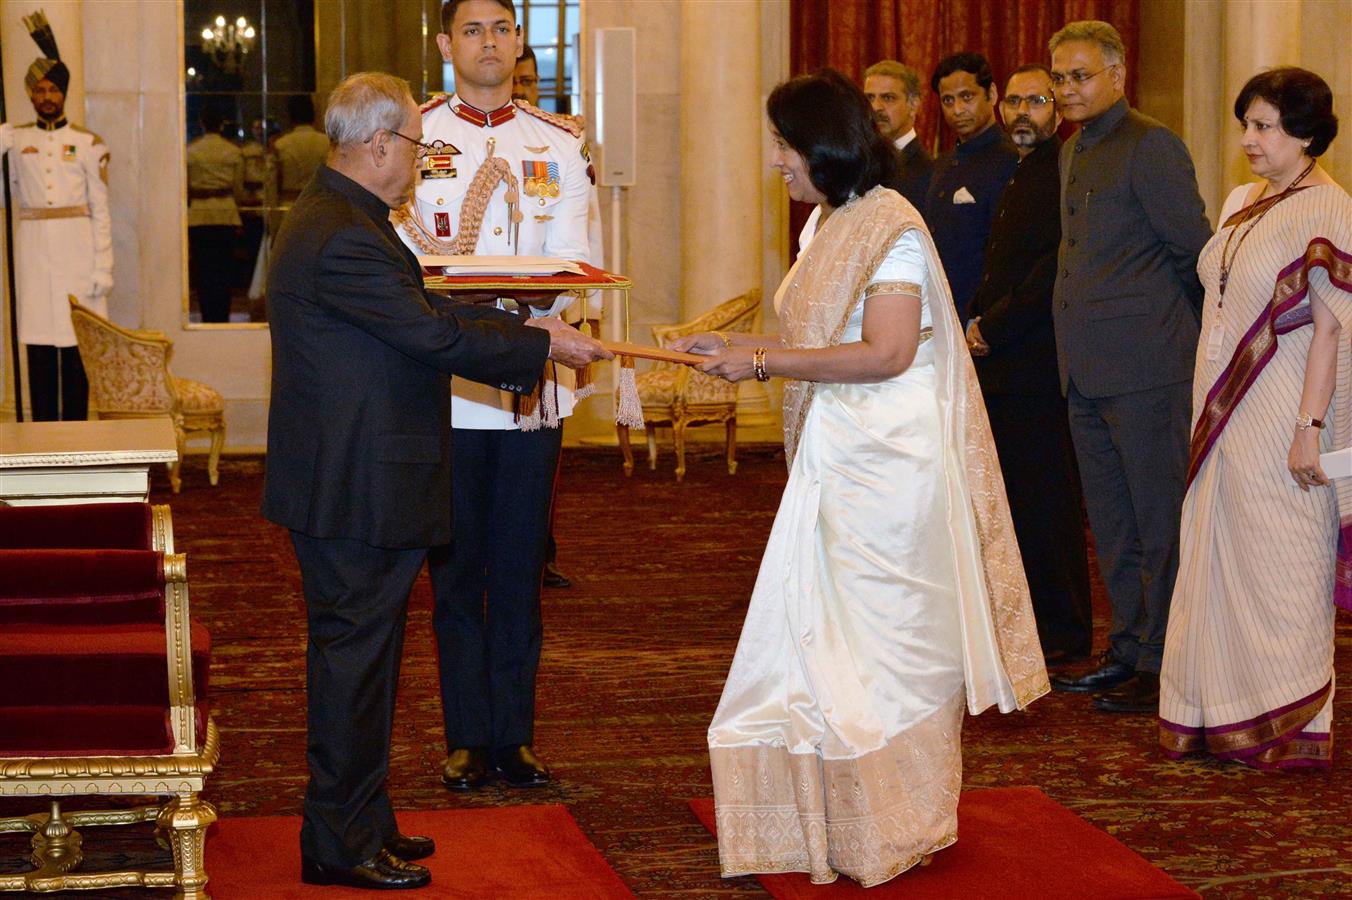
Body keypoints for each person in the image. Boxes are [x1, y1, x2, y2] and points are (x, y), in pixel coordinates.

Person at [673, 69, 1047, 888]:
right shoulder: (829, 221)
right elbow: (820, 331)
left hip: (892, 464)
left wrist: (762, 360)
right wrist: (737, 352)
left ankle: (898, 822)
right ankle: (836, 822)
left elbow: (886, 352)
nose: (774, 161)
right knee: (821, 640)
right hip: (837, 450)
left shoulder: (894, 228)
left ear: (823, 146)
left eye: (783, 144)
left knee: (885, 645)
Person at [262, 71, 608, 891]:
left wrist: (530, 325)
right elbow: (431, 336)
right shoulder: (342, 232)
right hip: (354, 490)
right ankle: (339, 845)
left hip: (355, 481)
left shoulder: (345, 216)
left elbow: (430, 311)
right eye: (416, 148)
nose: (420, 162)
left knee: (365, 665)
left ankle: (358, 823)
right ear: (379, 145)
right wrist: (540, 348)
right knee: (354, 667)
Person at [395, 0, 594, 793]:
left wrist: (522, 318)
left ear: (520, 44)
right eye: (473, 31)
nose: (489, 44)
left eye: (502, 30)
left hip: (525, 392)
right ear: (447, 45)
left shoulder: (557, 144)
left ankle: (514, 736)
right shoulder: (410, 136)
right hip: (442, 387)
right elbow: (399, 261)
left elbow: (576, 262)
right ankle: (465, 738)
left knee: (516, 570)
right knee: (454, 570)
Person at [1159, 68, 1350, 769]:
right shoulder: (1243, 201)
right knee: (1216, 558)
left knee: (1282, 565)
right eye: (1246, 124)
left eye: (1264, 126)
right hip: (1217, 409)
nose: (1249, 139)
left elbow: (1332, 329)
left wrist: (1310, 426)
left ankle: (1288, 724)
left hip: (1282, 412)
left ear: (1306, 132)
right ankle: (1216, 713)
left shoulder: (1330, 208)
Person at [1047, 20, 1213, 714]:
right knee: (1112, 522)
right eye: (1058, 78)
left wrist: (1184, 349)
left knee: (1157, 519)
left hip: (1149, 369)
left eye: (1079, 76)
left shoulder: (1152, 145)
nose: (1066, 90)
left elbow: (1195, 256)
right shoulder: (1074, 149)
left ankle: (1164, 658)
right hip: (1083, 370)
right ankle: (1127, 649)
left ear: (1117, 73)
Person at [965, 64, 1093, 667]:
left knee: (1048, 502)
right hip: (1003, 359)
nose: (1022, 112)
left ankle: (1064, 634)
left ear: (1058, 108)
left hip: (1040, 361)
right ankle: (1033, 628)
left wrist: (995, 325)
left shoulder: (1065, 169)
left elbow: (1055, 267)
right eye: (1013, 101)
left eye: (1036, 101)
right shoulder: (1021, 171)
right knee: (1014, 498)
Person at [0, 14, 111, 421]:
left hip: (77, 254)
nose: (46, 96)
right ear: (31, 95)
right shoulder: (17, 140)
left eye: (52, 89)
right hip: (34, 254)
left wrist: (104, 266)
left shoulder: (86, 143)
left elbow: (100, 210)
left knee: (75, 346)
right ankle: (44, 438)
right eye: (39, 89)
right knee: (40, 350)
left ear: (63, 94)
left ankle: (76, 434)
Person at [924, 52, 1019, 322]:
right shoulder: (942, 164)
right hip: (939, 313)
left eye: (967, 97)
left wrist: (987, 319)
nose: (957, 110)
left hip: (981, 318)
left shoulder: (1011, 160)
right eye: (948, 100)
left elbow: (1006, 256)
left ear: (991, 94)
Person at [186, 103, 244, 323]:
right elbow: (238, 188)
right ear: (221, 125)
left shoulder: (192, 151)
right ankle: (223, 315)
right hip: (226, 213)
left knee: (203, 270)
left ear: (201, 124)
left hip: (199, 215)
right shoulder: (233, 151)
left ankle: (208, 315)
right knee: (224, 270)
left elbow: (186, 188)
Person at [863, 60, 933, 211]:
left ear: (913, 105)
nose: (876, 107)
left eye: (888, 98)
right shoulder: (858, 165)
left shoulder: (929, 173)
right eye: (870, 98)